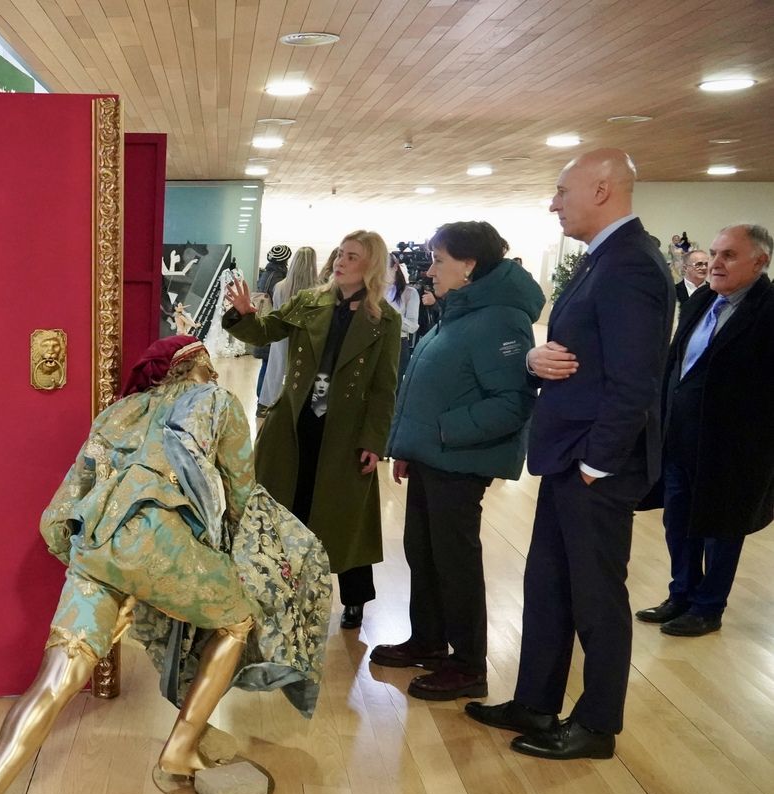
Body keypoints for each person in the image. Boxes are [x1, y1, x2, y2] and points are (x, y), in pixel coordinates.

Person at [0, 337, 329, 794]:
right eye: (207, 364)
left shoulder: (117, 412)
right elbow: (241, 496)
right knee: (239, 619)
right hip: (160, 543)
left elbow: (61, 509)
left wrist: (99, 573)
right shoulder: (216, 403)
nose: (213, 371)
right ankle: (180, 748)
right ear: (194, 367)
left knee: (52, 683)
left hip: (94, 545)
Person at [465, 148, 672, 760]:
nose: (553, 202)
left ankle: (598, 724)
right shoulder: (601, 261)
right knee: (549, 582)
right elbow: (574, 352)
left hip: (594, 463)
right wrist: (533, 359)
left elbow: (636, 380)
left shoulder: (631, 264)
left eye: (562, 190)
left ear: (603, 189)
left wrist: (597, 462)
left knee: (596, 597)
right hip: (569, 455)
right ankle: (535, 700)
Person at [377, 221, 541, 699]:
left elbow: (512, 402)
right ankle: (428, 641)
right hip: (433, 457)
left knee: (455, 562)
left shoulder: (501, 319)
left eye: (440, 260)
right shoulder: (464, 310)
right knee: (422, 552)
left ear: (469, 265)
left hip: (461, 461)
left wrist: (441, 433)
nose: (430, 270)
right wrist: (411, 446)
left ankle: (468, 665)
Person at [224, 230, 402, 631]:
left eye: (352, 256)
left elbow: (383, 386)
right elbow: (265, 332)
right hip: (294, 423)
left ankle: (355, 598)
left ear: (370, 266)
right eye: (340, 253)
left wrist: (375, 441)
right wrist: (244, 312)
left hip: (346, 433)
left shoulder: (384, 320)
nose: (340, 261)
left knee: (345, 519)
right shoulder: (310, 301)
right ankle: (278, 591)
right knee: (288, 506)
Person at [634, 223, 774, 637]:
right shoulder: (699, 304)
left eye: (728, 255)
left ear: (760, 262)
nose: (714, 263)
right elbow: (677, 368)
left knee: (721, 529)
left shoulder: (769, 313)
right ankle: (681, 594)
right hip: (680, 441)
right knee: (678, 522)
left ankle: (708, 606)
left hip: (734, 451)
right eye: (713, 253)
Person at [254, 246, 319, 415]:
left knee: (275, 369)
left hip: (280, 336)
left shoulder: (280, 287)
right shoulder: (317, 290)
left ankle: (268, 403)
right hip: (306, 338)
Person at [386, 253, 422, 379]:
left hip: (398, 344)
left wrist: (390, 315)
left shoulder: (409, 293)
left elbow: (412, 326)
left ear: (395, 267)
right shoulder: (371, 292)